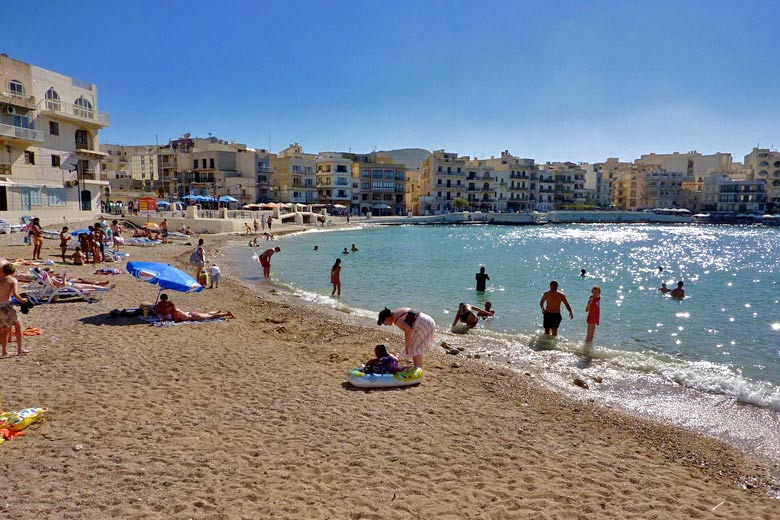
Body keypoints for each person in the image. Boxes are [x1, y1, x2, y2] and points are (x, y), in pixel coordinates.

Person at [1, 263, 29, 357]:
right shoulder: (12, 280)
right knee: (18, 326)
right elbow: (15, 294)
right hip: (7, 306)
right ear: (13, 271)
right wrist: (23, 300)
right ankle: (20, 349)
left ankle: (4, 351)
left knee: (5, 329)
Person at [154, 293, 234, 322]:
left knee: (211, 317)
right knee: (207, 314)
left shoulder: (174, 311)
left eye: (167, 308)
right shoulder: (174, 310)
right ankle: (217, 311)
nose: (166, 309)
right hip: (191, 314)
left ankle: (227, 313)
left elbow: (177, 320)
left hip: (194, 316)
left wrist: (166, 319)